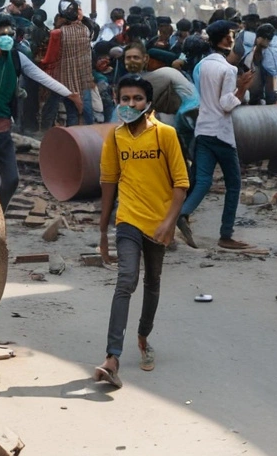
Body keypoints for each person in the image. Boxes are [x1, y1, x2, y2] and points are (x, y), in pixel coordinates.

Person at [93, 74, 189, 388]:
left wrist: (169, 222)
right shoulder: (116, 137)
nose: (130, 104)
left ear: (148, 103)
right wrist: (104, 232)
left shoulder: (166, 134)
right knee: (126, 280)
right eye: (124, 99)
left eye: (136, 99)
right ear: (117, 101)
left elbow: (181, 184)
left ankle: (144, 337)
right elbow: (108, 183)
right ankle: (112, 357)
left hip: (159, 222)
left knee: (153, 281)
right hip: (128, 219)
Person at [0, 15, 79, 211]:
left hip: (3, 129)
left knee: (11, 181)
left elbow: (42, 77)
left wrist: (70, 94)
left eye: (10, 34)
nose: (7, 38)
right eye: (1, 34)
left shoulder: (18, 59)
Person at [177, 20, 254, 250]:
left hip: (203, 129)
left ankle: (182, 212)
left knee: (202, 181)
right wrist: (243, 87)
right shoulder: (228, 69)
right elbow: (227, 104)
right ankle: (226, 235)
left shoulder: (201, 66)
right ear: (226, 39)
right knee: (234, 184)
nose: (233, 39)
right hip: (221, 132)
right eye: (231, 35)